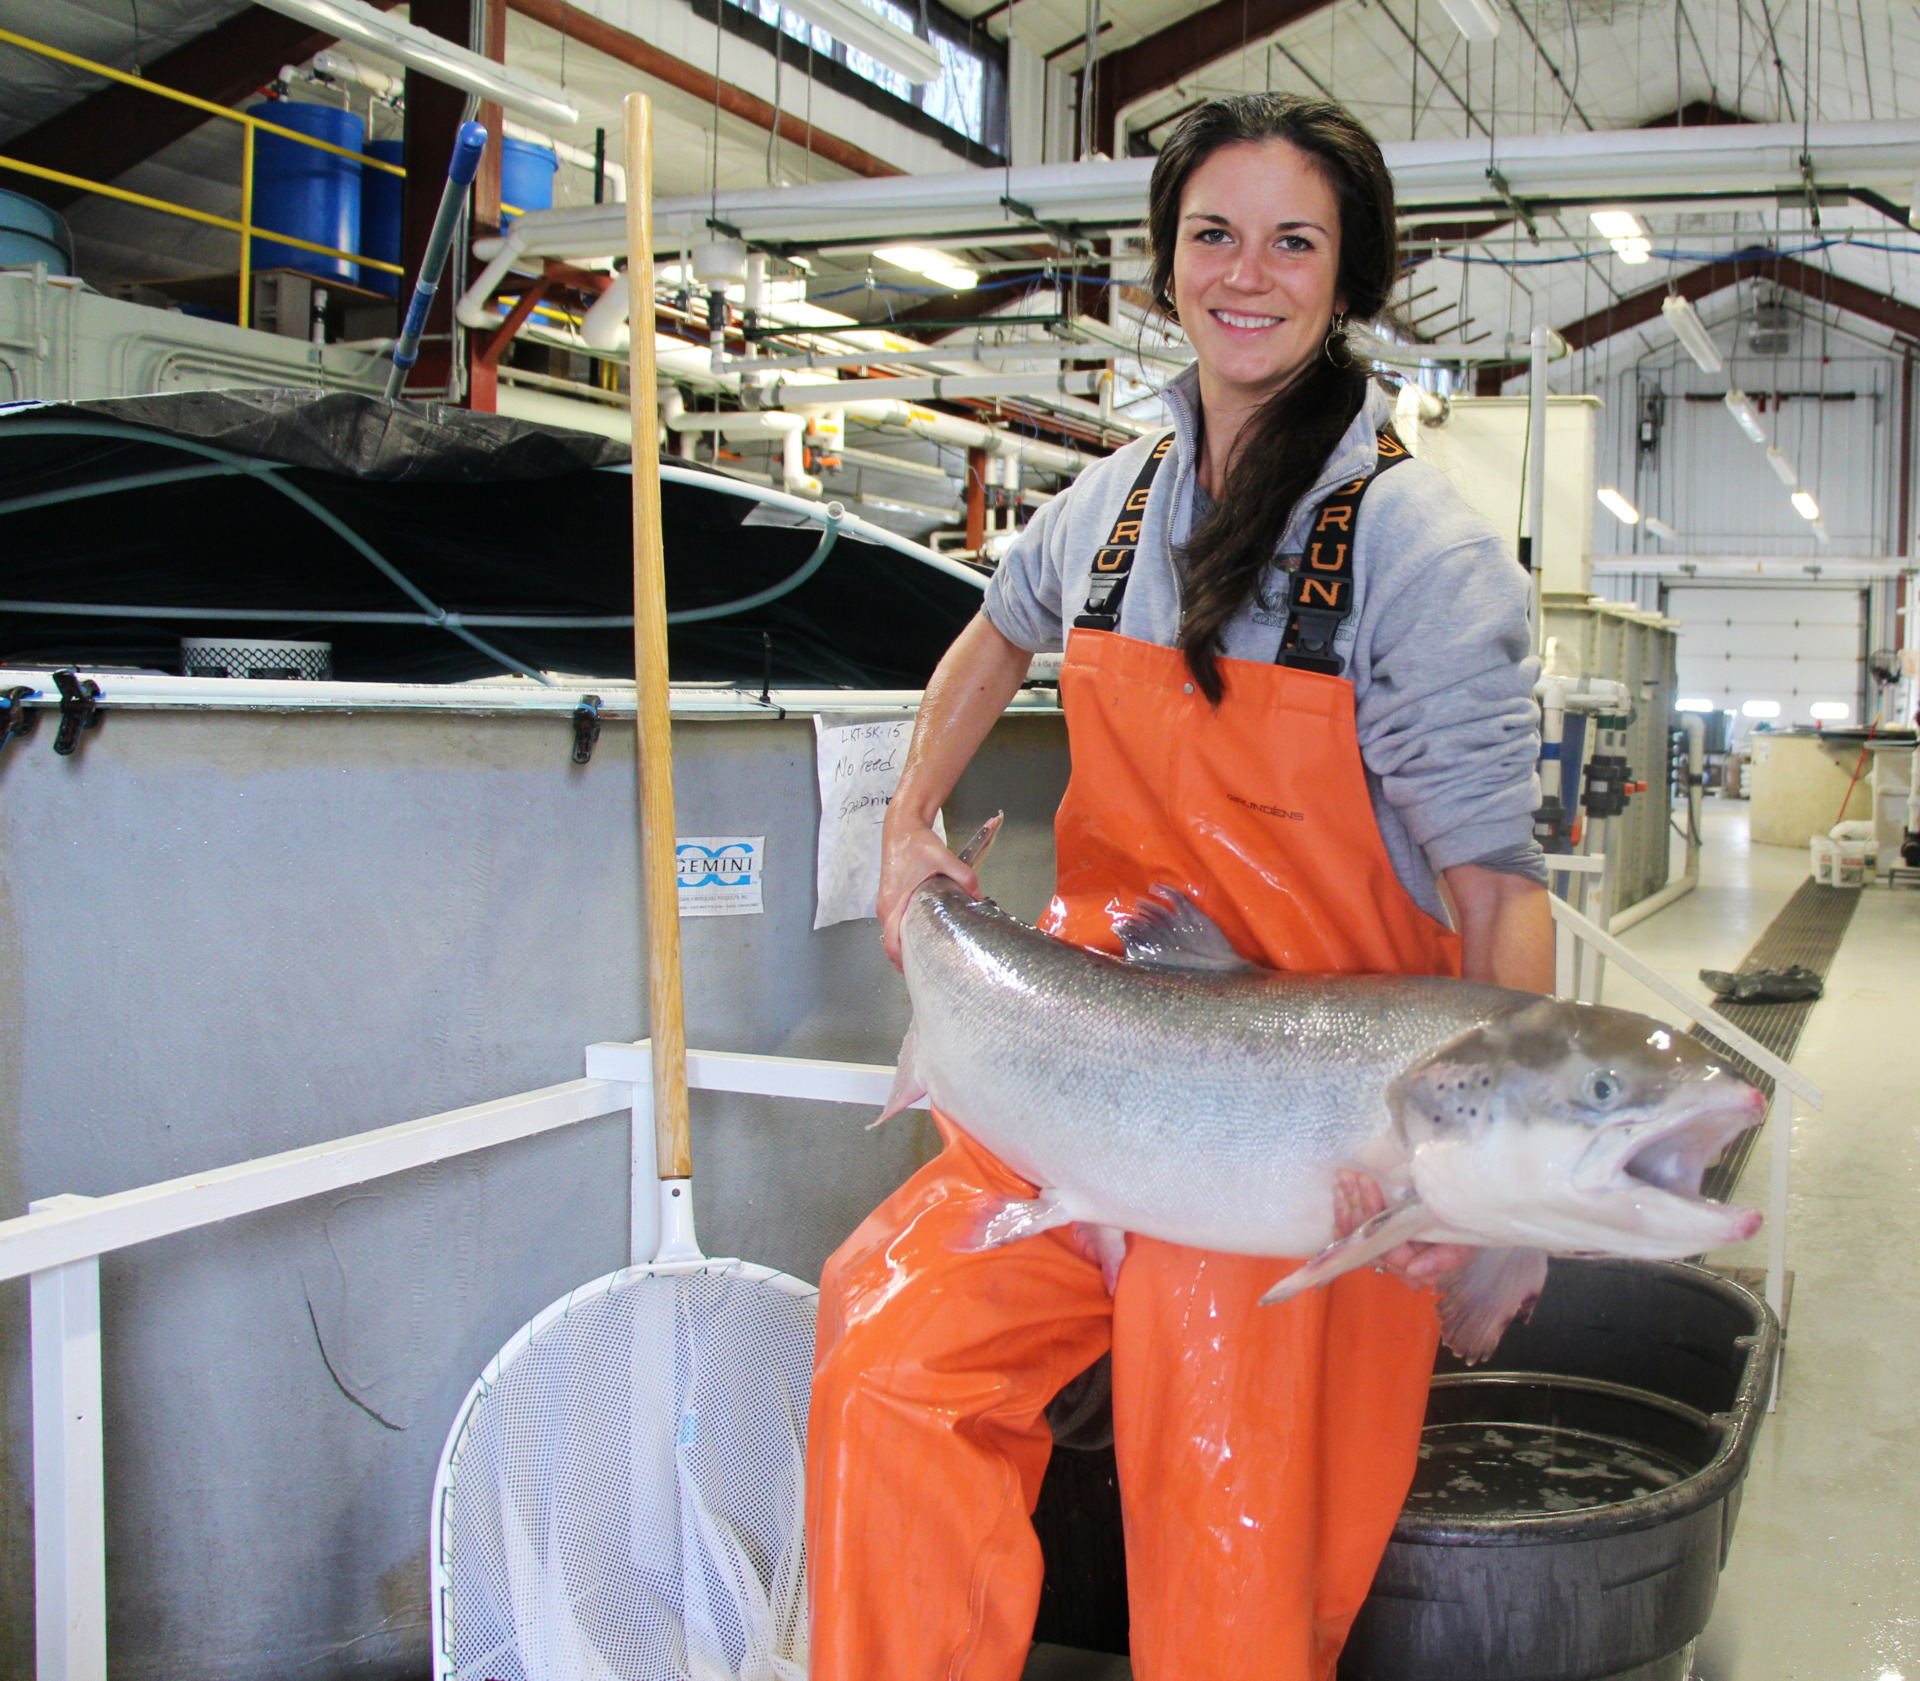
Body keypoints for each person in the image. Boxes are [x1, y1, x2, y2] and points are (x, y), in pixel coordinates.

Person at [806, 92, 1552, 1681]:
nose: (1248, 273)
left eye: (1296, 240)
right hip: (1082, 1074)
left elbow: (1499, 901)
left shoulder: (1420, 556)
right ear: (1164, 266)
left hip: (1301, 1146)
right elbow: (984, 637)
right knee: (887, 1349)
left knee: (1231, 1560)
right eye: (1213, 234)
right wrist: (905, 823)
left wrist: (1501, 1206)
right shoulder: (1111, 502)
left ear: (1348, 281)